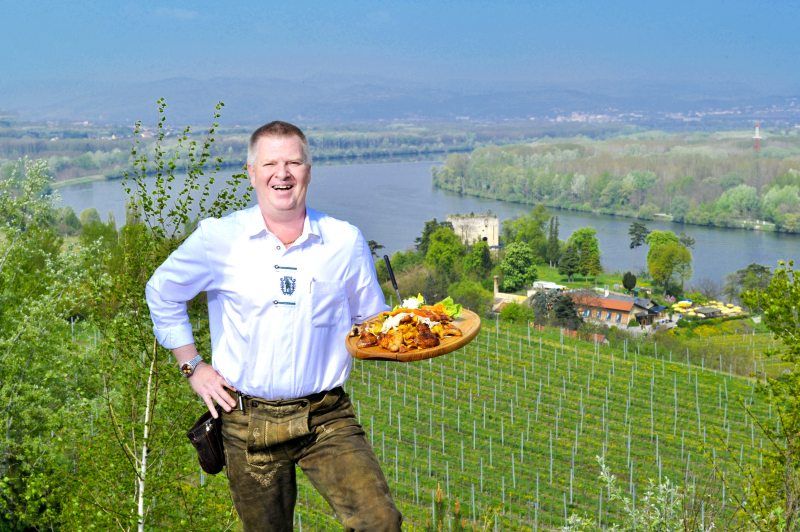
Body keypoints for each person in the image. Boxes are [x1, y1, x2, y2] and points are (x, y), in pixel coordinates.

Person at [145, 121, 402, 531]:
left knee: (379, 521)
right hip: (247, 420)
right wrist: (193, 366)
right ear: (251, 172)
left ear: (308, 171)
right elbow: (161, 291)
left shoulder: (343, 241)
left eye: (293, 162)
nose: (281, 173)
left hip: (326, 416)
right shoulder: (219, 239)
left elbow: (369, 321)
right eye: (270, 164)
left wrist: (419, 327)